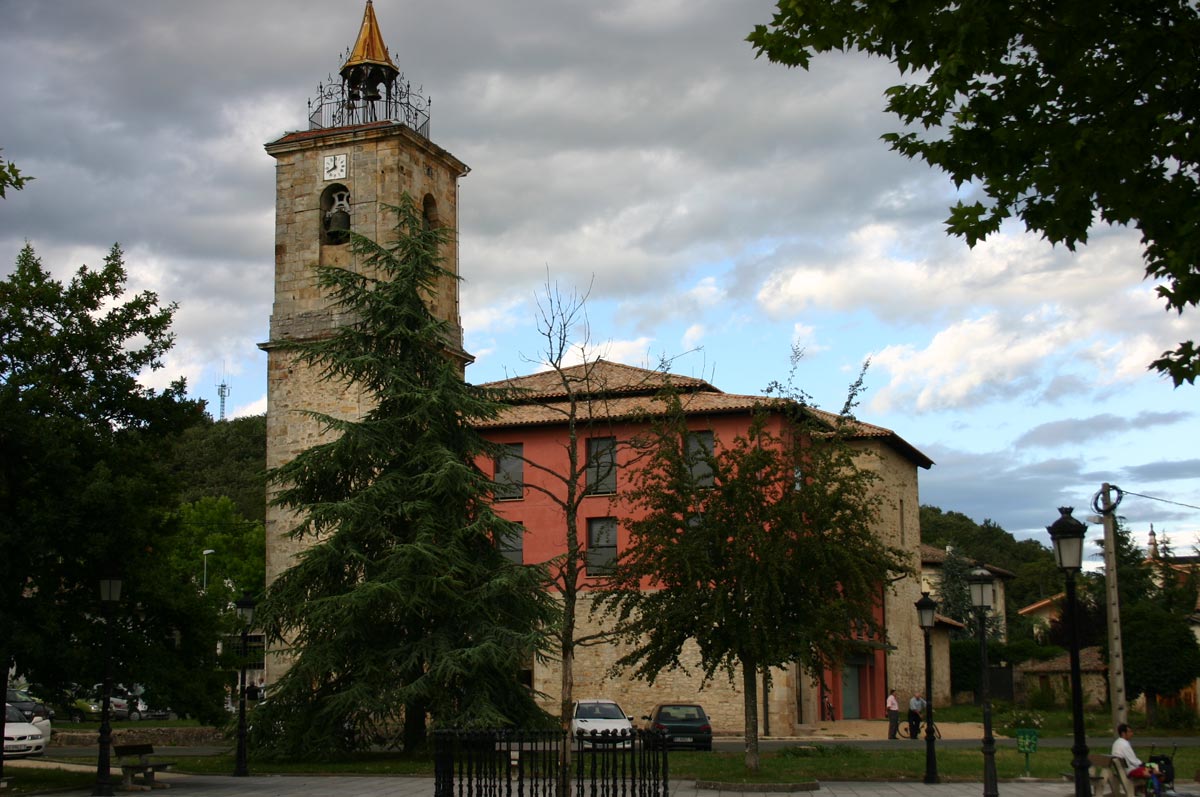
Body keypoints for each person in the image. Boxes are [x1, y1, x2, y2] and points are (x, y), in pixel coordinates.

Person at [1112, 723, 1161, 796]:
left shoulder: (1118, 742)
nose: (1132, 734)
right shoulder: (1124, 744)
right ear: (1123, 733)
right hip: (1130, 769)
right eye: (1129, 732)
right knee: (1154, 768)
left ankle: (1145, 790)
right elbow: (1134, 761)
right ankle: (1156, 791)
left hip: (1125, 768)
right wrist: (1145, 765)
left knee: (1154, 767)